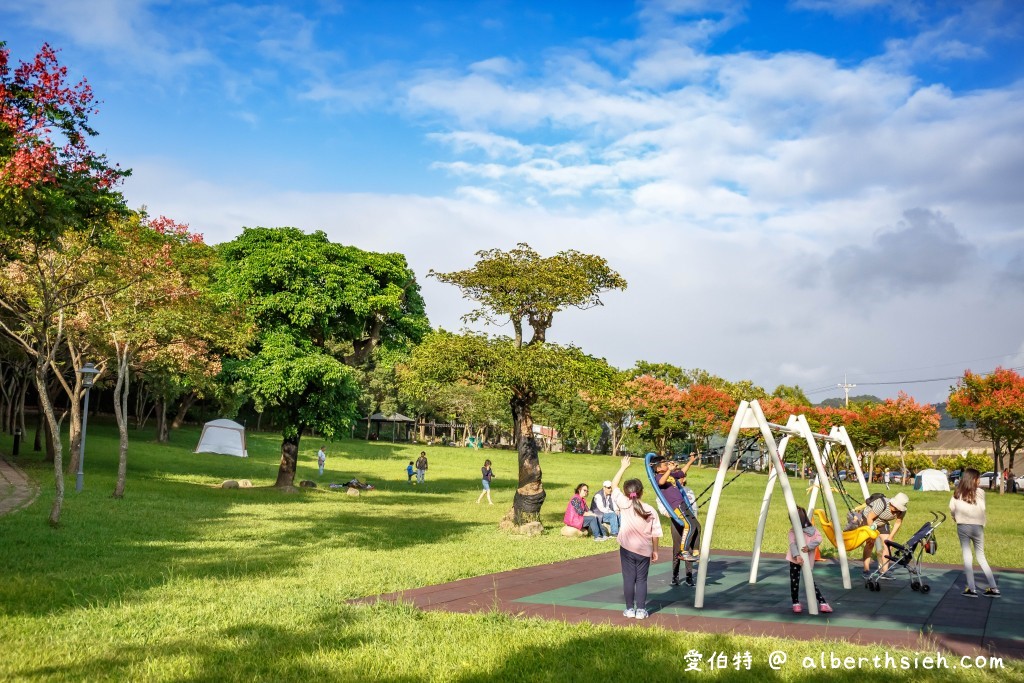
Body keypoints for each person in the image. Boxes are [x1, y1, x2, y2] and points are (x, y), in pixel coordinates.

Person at [610, 455, 662, 619]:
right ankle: (641, 610)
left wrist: (623, 467)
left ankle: (629, 609)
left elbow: (613, 485)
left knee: (628, 579)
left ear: (627, 493)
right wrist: (655, 550)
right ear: (641, 492)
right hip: (644, 550)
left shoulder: (624, 504)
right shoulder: (649, 510)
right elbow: (655, 533)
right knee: (641, 580)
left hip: (626, 549)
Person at [950, 468, 1001, 598]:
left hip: (962, 526)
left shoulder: (957, 493)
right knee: (981, 556)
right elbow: (982, 508)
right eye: (978, 478)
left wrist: (955, 517)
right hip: (978, 527)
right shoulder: (980, 492)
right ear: (973, 479)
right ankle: (994, 588)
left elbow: (952, 508)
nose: (979, 481)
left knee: (967, 556)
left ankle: (971, 589)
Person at [654, 453, 699, 587]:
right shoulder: (659, 477)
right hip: (676, 511)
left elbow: (682, 472)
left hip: (683, 507)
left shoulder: (674, 478)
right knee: (678, 546)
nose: (667, 465)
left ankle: (695, 553)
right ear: (658, 468)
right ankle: (676, 574)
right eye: (664, 464)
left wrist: (690, 461)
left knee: (696, 526)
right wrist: (670, 470)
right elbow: (662, 482)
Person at [786, 506, 832, 614]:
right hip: (805, 559)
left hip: (794, 559)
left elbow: (792, 544)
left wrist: (797, 555)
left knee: (794, 581)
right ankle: (822, 603)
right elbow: (819, 539)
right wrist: (809, 546)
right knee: (810, 581)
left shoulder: (793, 531)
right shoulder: (813, 530)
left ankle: (796, 603)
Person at [861, 492, 908, 577]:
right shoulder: (881, 504)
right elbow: (870, 518)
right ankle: (866, 569)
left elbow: (898, 523)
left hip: (882, 522)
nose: (895, 509)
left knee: (888, 545)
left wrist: (891, 537)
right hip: (869, 519)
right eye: (894, 506)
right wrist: (872, 534)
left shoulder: (902, 511)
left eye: (897, 508)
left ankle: (884, 571)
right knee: (870, 543)